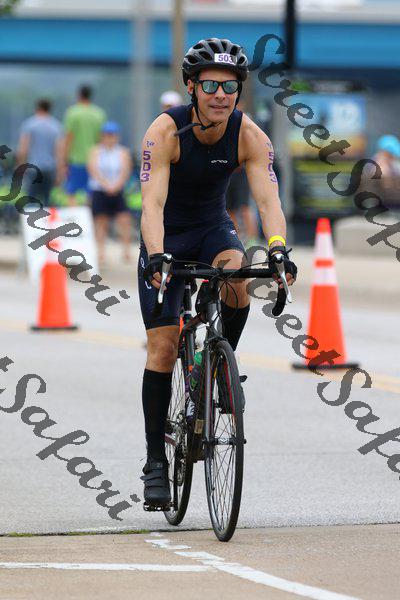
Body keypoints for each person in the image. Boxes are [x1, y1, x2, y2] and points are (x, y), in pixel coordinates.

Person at [137, 38, 297, 509]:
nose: (220, 95)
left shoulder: (251, 136)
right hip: (166, 237)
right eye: (210, 86)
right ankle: (155, 462)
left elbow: (267, 200)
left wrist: (278, 248)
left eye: (229, 87)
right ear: (191, 87)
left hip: (212, 229)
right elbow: (152, 205)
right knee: (163, 349)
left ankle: (221, 368)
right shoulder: (164, 132)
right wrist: (157, 255)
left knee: (239, 276)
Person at [87, 121, 132, 263]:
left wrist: (116, 185)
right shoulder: (96, 151)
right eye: (107, 135)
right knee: (101, 221)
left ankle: (126, 251)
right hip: (100, 190)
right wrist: (106, 185)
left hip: (117, 190)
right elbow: (93, 169)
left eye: (112, 135)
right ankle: (101, 252)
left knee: (124, 220)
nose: (109, 138)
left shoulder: (122, 152)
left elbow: (125, 170)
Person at [62, 85, 106, 206]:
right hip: (95, 160)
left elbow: (68, 138)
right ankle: (90, 215)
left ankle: (73, 215)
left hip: (76, 160)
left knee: (71, 192)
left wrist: (64, 160)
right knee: (92, 192)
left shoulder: (72, 112)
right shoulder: (99, 113)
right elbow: (102, 139)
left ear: (79, 95)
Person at [17, 99, 63, 206]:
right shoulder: (56, 126)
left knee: (31, 201)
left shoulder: (29, 124)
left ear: (37, 107)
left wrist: (20, 166)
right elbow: (59, 151)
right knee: (48, 201)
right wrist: (60, 172)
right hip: (50, 168)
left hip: (33, 168)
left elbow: (23, 148)